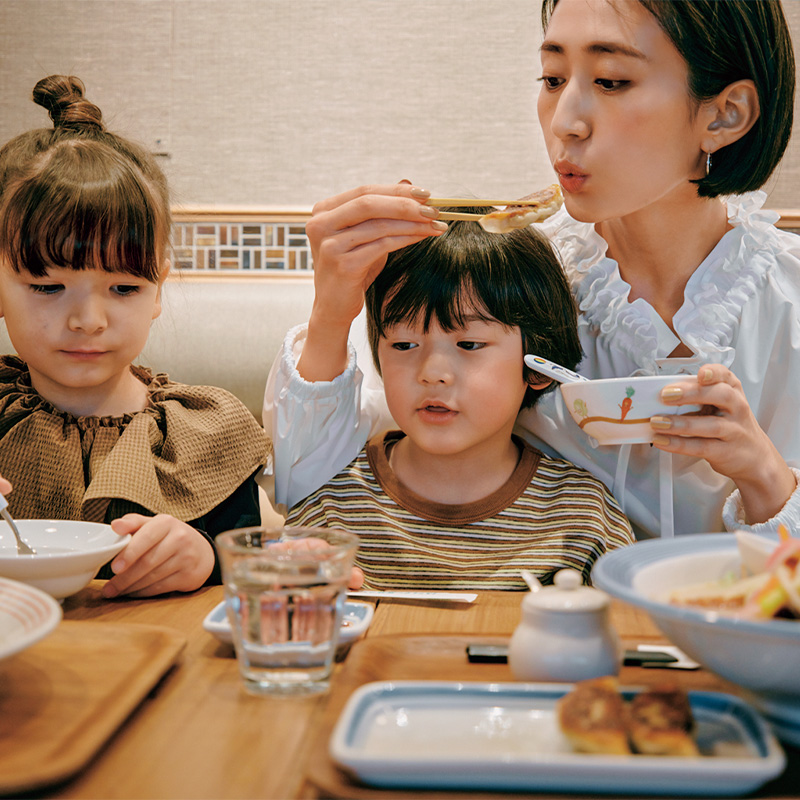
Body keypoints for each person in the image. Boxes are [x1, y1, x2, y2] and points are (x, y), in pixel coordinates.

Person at [262, 0, 800, 541]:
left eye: (611, 81)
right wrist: (333, 309)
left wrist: (762, 473)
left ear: (724, 114)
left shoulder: (789, 298)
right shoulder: (507, 279)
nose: (565, 122)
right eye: (552, 77)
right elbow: (304, 488)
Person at [0, 75, 270, 597]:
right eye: (48, 286)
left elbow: (260, 565)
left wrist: (205, 560)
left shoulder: (202, 434)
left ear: (159, 289)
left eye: (124, 287)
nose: (88, 320)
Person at [285, 214, 634, 588]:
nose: (432, 373)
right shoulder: (333, 505)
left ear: (537, 365)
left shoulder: (581, 515)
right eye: (403, 345)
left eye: (469, 345)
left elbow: (630, 634)